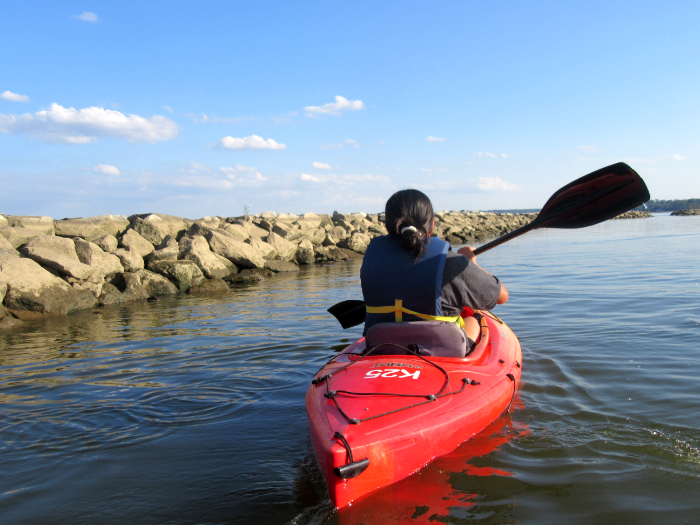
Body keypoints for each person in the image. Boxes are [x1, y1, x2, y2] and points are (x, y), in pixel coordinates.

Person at [360, 189, 508, 353]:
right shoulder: (452, 262)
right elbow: (502, 296)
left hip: (383, 347)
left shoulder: (372, 260)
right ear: (431, 226)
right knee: (473, 318)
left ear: (387, 226)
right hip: (442, 350)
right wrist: (470, 262)